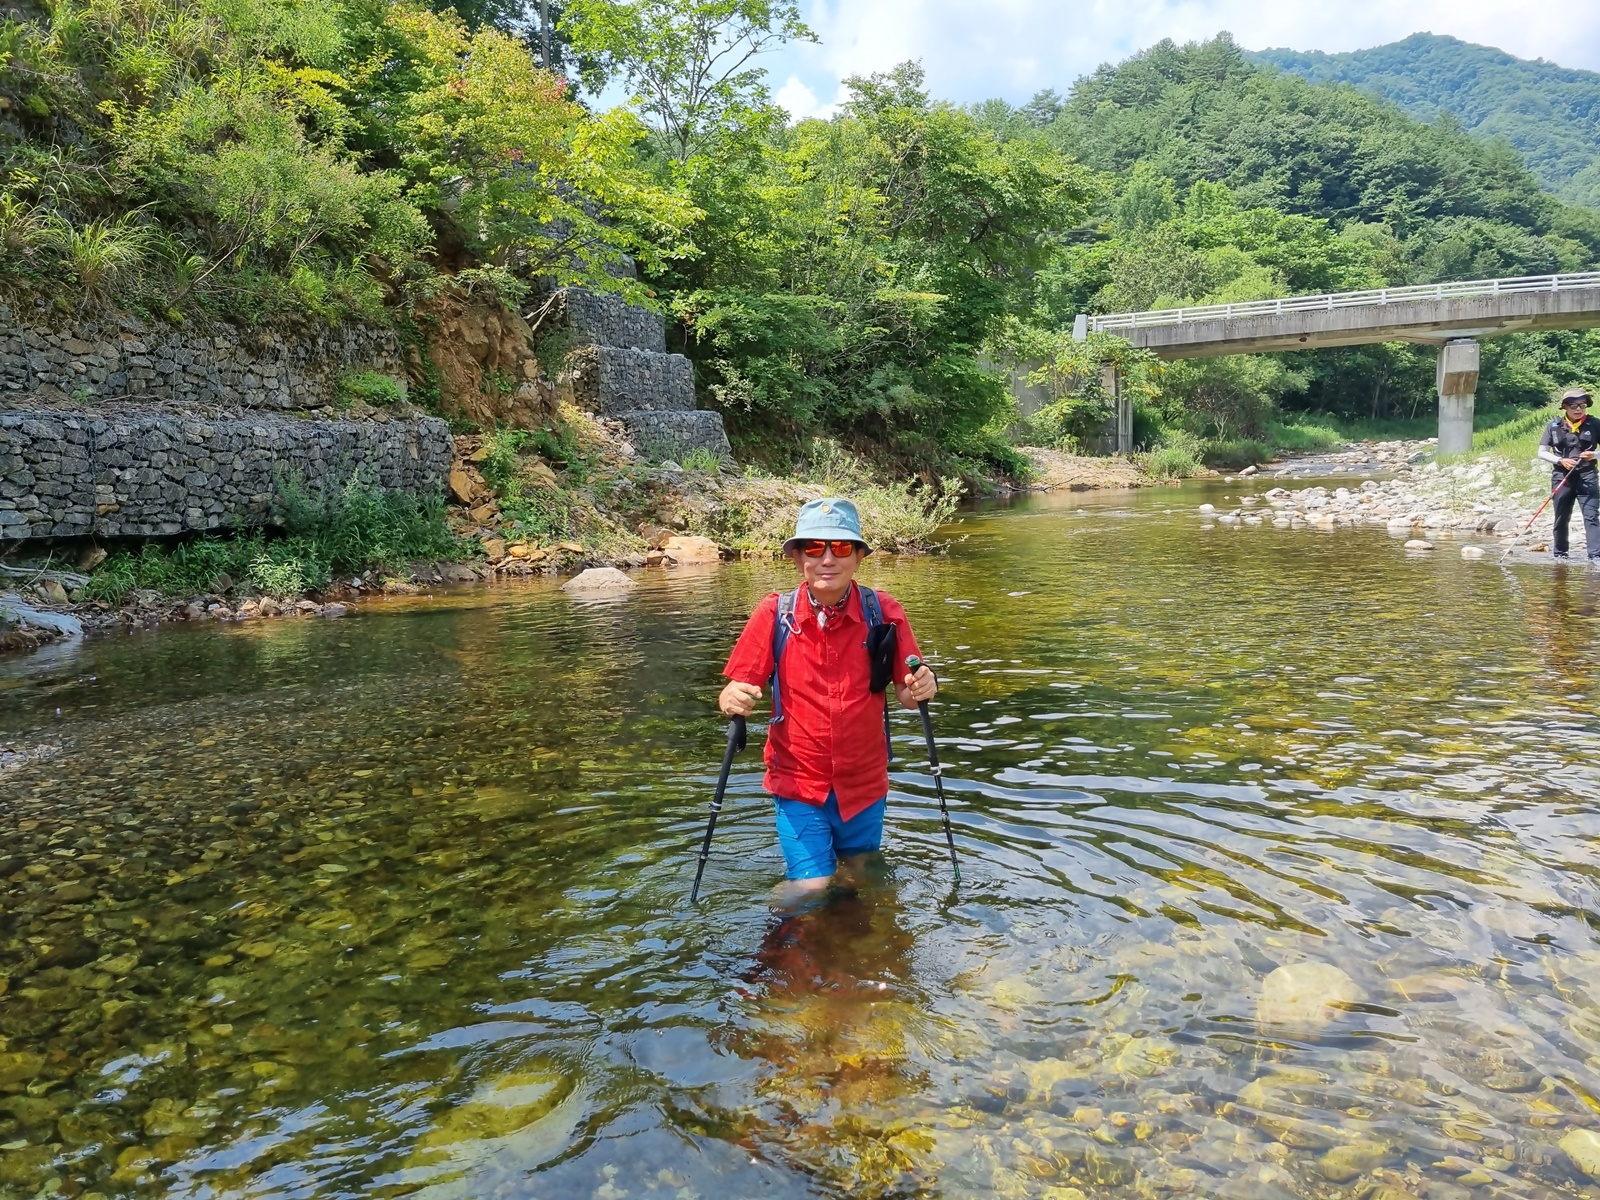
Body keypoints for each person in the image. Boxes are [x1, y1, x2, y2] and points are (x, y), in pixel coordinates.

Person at [719, 497, 937, 902]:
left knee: (863, 878)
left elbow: (909, 694)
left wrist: (925, 685)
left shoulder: (883, 611)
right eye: (815, 548)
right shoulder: (774, 614)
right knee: (810, 887)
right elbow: (736, 689)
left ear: (858, 557)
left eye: (840, 547)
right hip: (798, 783)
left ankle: (852, 940)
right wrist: (732, 697)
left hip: (865, 783)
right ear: (798, 557)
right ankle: (782, 940)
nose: (827, 559)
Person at [1537, 387, 1600, 561]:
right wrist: (1560, 461)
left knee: (1591, 516)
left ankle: (1596, 556)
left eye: (1582, 405)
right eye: (1573, 405)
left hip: (1587, 476)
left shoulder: (1595, 424)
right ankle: (1560, 554)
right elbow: (1542, 452)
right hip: (1561, 478)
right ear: (1565, 406)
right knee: (1561, 517)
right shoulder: (1554, 426)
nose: (1578, 409)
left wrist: (1594, 455)